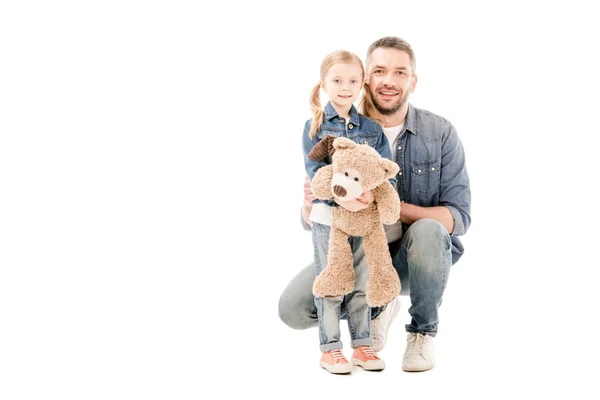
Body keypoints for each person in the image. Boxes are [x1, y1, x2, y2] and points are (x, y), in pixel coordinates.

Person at [280, 37, 471, 372]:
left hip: (418, 261)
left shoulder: (440, 132)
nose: (389, 80)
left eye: (400, 72)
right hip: (354, 246)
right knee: (294, 309)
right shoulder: (338, 129)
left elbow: (458, 218)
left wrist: (384, 204)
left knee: (429, 228)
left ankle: (422, 333)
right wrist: (309, 208)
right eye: (380, 70)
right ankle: (376, 308)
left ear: (413, 81)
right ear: (366, 77)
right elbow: (319, 202)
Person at [302, 50, 396, 374]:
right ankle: (330, 349)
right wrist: (346, 198)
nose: (346, 87)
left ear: (362, 84)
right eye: (338, 80)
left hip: (365, 220)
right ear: (324, 85)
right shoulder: (314, 127)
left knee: (361, 281)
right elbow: (317, 175)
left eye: (353, 80)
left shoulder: (372, 128)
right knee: (331, 280)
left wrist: (367, 196)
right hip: (329, 219)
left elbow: (384, 171)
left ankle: (362, 345)